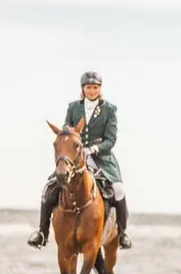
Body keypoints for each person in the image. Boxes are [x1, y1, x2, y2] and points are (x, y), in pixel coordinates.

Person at [27, 71, 132, 250]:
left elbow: (111, 139)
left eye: (95, 88)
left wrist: (93, 148)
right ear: (83, 89)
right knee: (50, 187)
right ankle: (42, 232)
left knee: (118, 189)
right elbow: (67, 127)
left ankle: (122, 234)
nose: (91, 91)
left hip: (101, 158)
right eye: (88, 87)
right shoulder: (73, 107)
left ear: (100, 89)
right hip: (75, 156)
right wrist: (71, 138)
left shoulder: (110, 109)